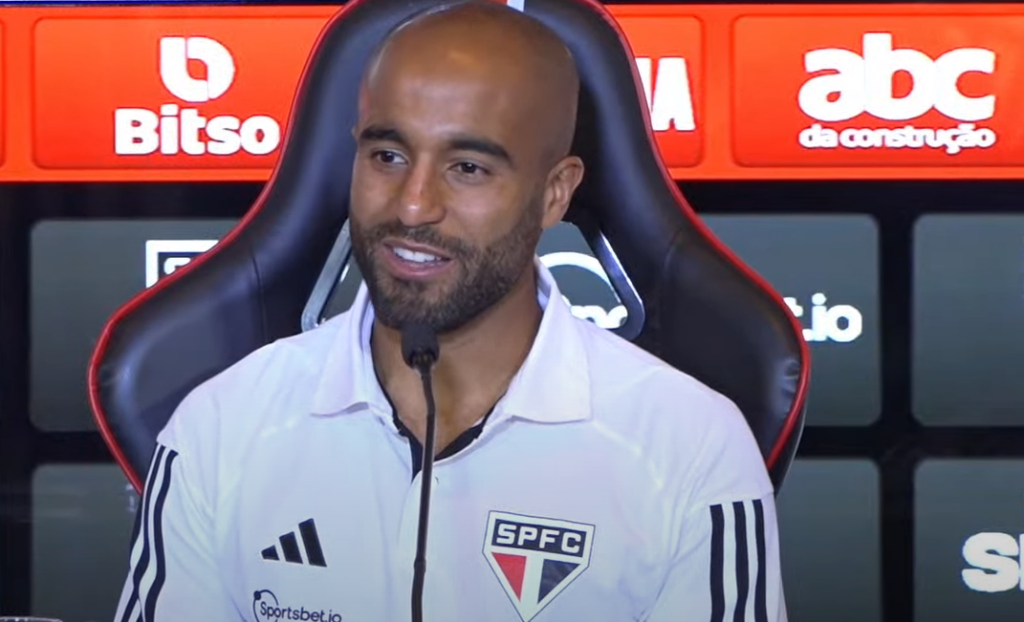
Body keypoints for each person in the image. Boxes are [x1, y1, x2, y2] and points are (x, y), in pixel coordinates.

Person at [112, 2, 788, 621]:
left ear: (555, 194)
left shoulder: (691, 448)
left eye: (467, 168)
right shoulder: (220, 428)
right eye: (387, 155)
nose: (412, 205)